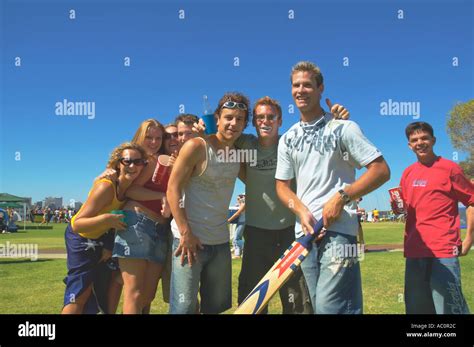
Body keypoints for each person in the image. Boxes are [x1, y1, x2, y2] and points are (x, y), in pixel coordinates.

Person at [275, 61, 390, 314]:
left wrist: (341, 197)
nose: (301, 90)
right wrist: (301, 212)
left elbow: (381, 171)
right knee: (321, 307)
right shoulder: (287, 138)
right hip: (305, 234)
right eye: (296, 85)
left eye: (307, 84)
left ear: (320, 88)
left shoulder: (343, 127)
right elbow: (282, 187)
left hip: (339, 232)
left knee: (330, 308)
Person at [167, 92, 249, 314]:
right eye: (228, 117)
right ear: (217, 119)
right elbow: (172, 189)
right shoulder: (197, 146)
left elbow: (258, 181)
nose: (233, 123)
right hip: (188, 241)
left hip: (221, 243)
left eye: (240, 119)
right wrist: (185, 232)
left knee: (215, 308)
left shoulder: (237, 155)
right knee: (183, 308)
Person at [62, 142, 147, 314]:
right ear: (118, 163)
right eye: (127, 161)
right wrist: (107, 219)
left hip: (100, 239)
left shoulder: (128, 189)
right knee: (80, 292)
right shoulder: (106, 186)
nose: (133, 166)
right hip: (81, 238)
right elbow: (77, 223)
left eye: (138, 162)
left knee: (100, 288)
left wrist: (108, 243)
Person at [398, 121, 473, 314]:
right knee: (417, 311)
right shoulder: (407, 173)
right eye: (414, 140)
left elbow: (471, 201)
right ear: (409, 145)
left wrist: (469, 239)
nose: (420, 142)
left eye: (424, 138)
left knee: (449, 309)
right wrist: (397, 207)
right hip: (415, 250)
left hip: (443, 250)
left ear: (434, 140)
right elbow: (405, 208)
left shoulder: (450, 169)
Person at [111, 119, 171, 314]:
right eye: (149, 138)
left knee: (147, 295)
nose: (153, 142)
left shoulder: (161, 159)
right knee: (134, 293)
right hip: (137, 222)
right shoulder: (144, 161)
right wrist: (161, 196)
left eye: (158, 138)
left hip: (159, 229)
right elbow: (131, 191)